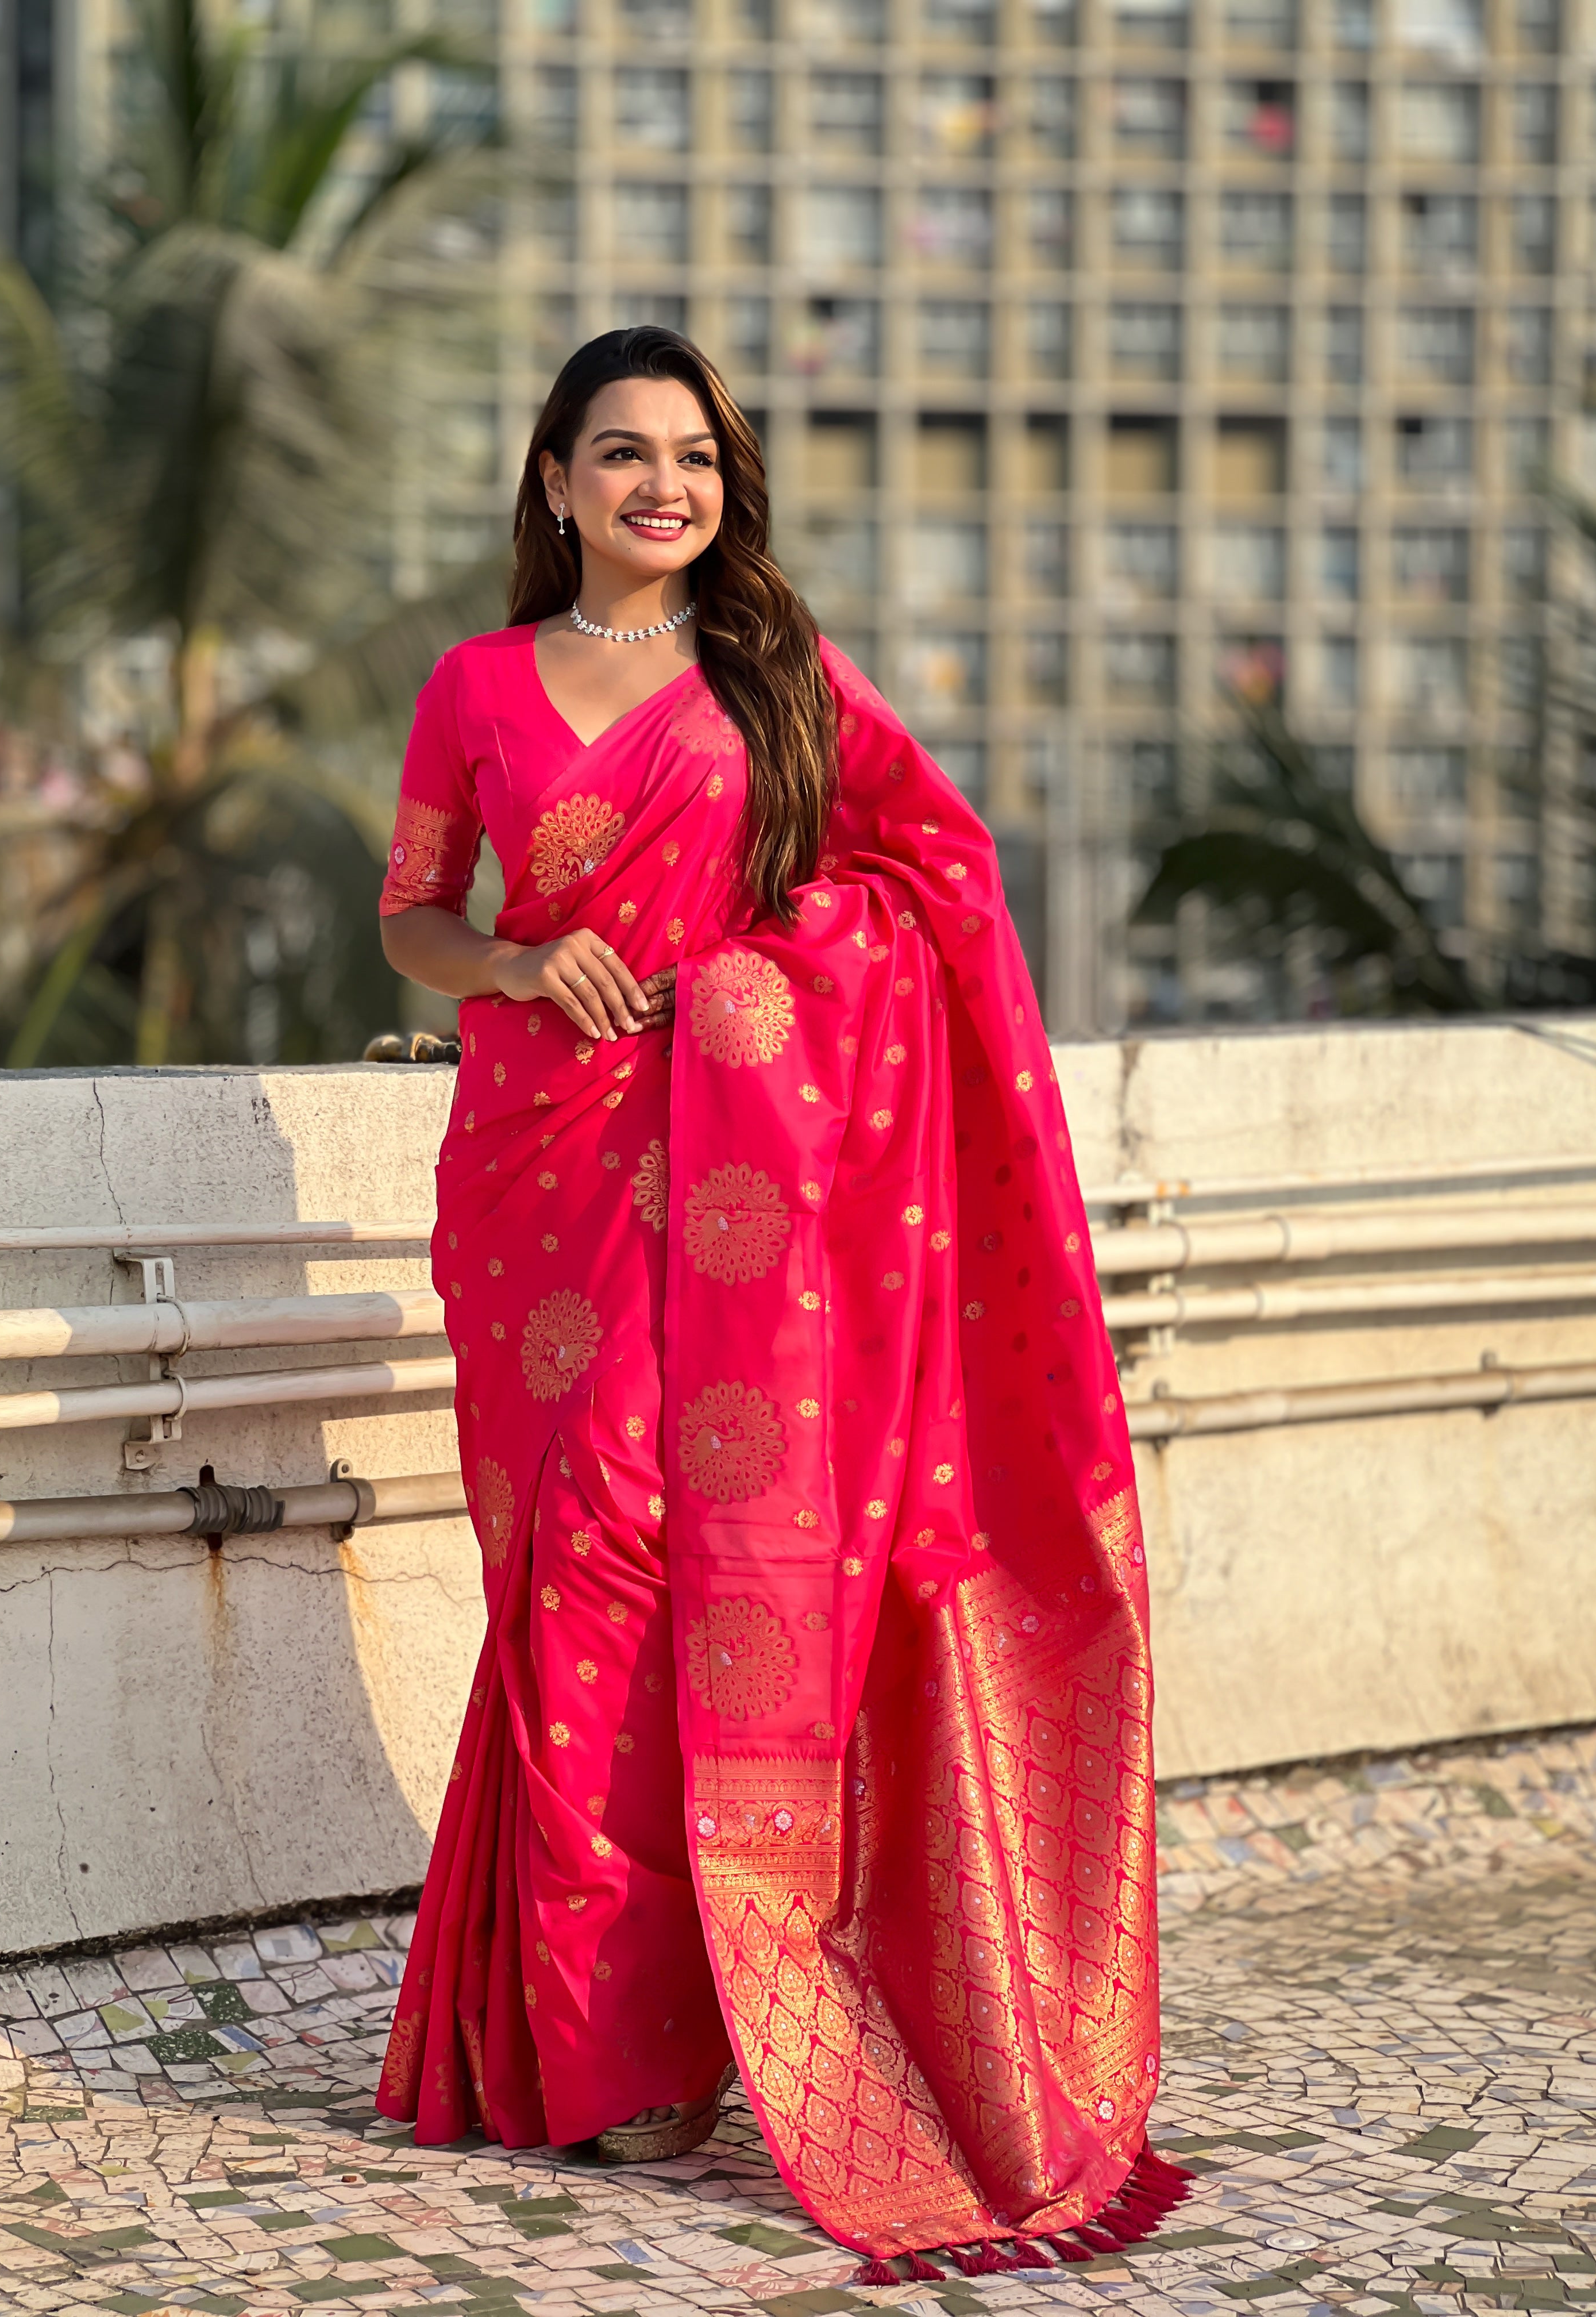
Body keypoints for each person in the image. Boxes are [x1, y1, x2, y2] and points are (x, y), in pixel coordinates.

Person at [373, 327, 1182, 2280]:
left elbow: (938, 881)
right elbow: (410, 915)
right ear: (553, 480)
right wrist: (509, 959)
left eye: (699, 461)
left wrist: (762, 984)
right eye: (626, 455)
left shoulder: (776, 680)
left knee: (653, 1545)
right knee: (559, 1591)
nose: (667, 487)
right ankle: (586, 2049)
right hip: (534, 1189)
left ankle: (693, 2023)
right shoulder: (475, 685)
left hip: (743, 1200)